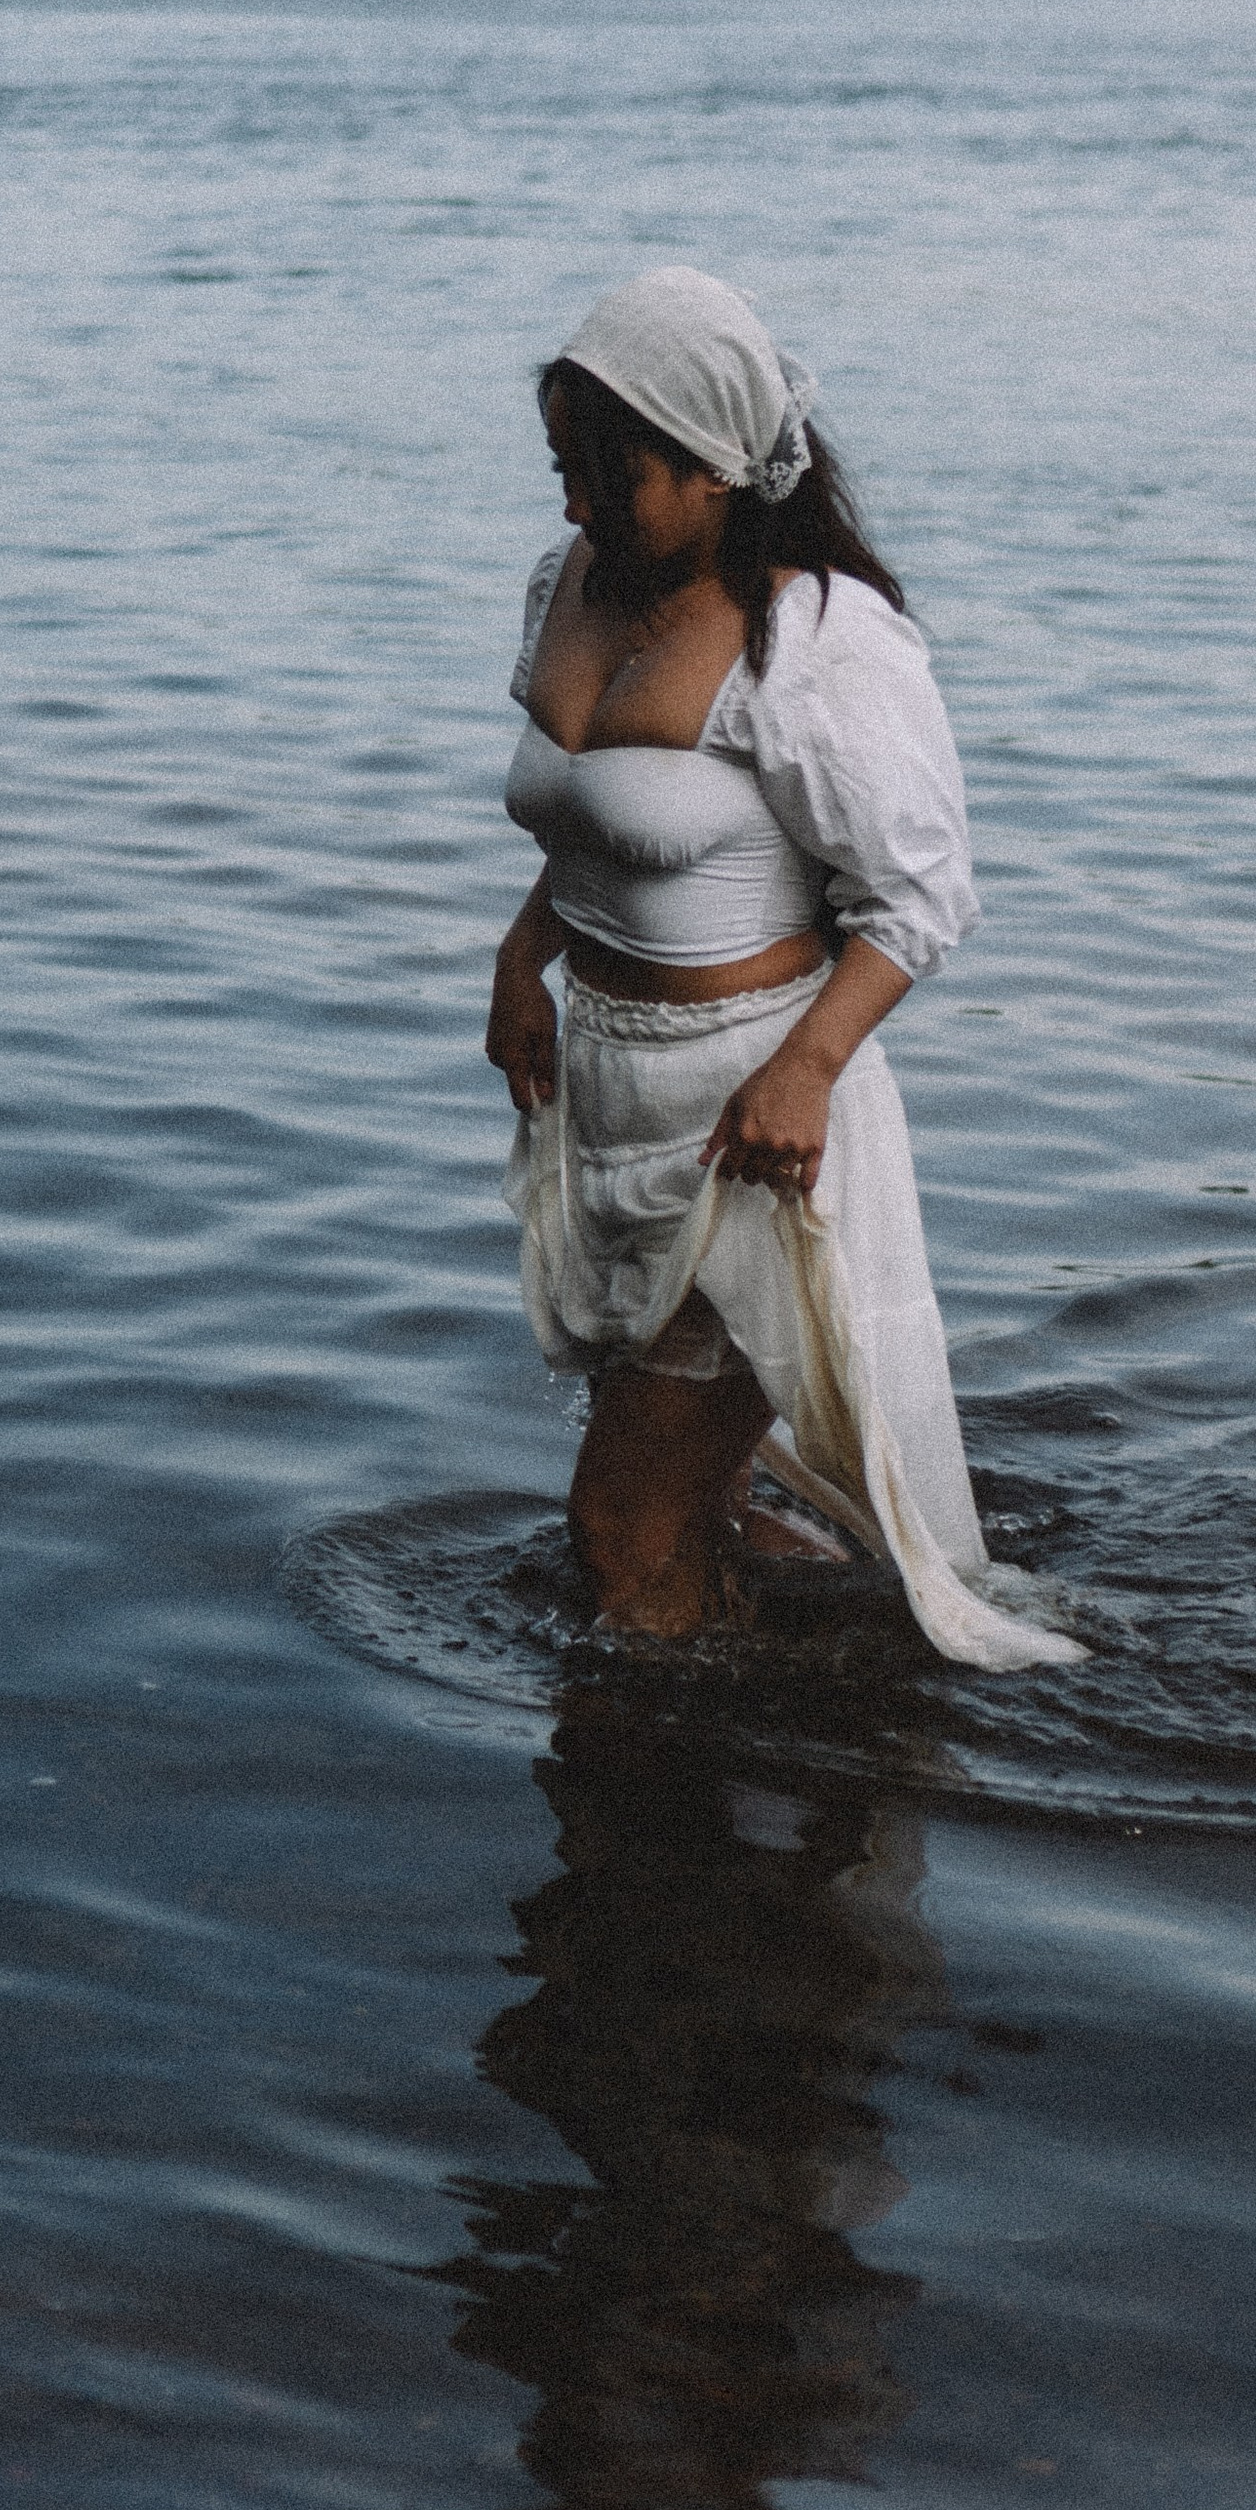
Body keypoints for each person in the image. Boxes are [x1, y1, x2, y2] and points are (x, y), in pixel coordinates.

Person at [486, 266, 1079, 1671]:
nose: (575, 504)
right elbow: (593, 828)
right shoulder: (564, 581)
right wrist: (526, 955)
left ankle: (653, 1825)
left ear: (713, 470)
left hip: (753, 1128)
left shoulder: (814, 639)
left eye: (607, 473)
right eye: (561, 467)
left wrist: (808, 1066)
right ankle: (798, 1718)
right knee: (708, 1506)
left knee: (620, 1520)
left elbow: (921, 895)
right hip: (611, 1113)